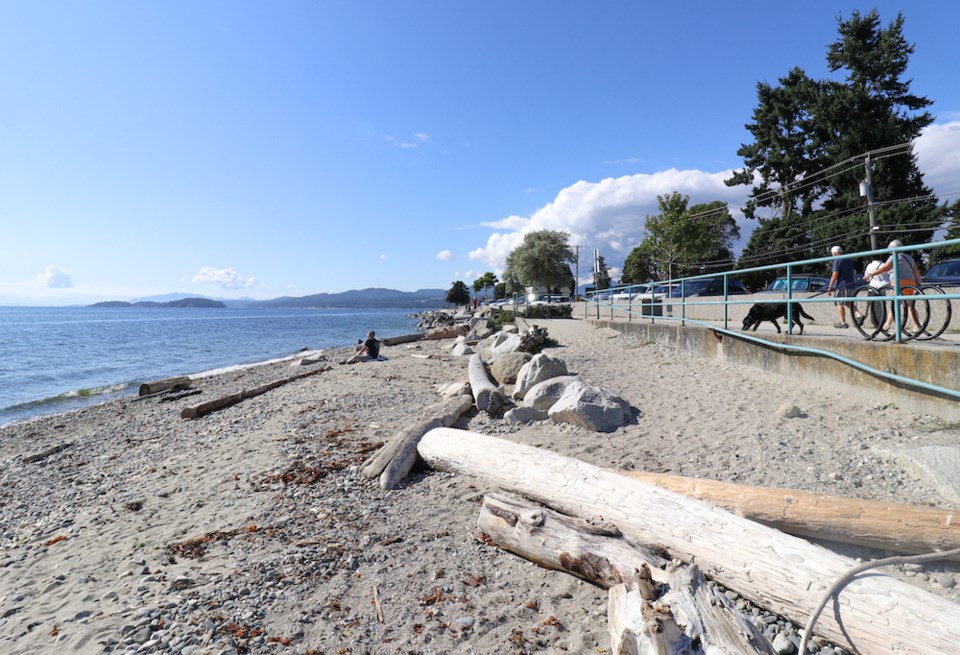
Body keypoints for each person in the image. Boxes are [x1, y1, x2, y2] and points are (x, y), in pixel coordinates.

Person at [863, 240, 923, 332]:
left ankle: (915, 325)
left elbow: (885, 268)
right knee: (906, 304)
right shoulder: (909, 258)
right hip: (910, 282)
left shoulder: (893, 257)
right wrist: (920, 282)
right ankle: (888, 324)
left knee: (897, 304)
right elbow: (916, 271)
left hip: (897, 282)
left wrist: (871, 274)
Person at [825, 245, 859, 328]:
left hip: (842, 285)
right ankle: (858, 314)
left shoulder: (837, 260)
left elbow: (835, 274)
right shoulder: (848, 259)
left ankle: (843, 322)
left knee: (840, 303)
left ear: (834, 253)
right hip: (851, 284)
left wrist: (830, 287)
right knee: (848, 302)